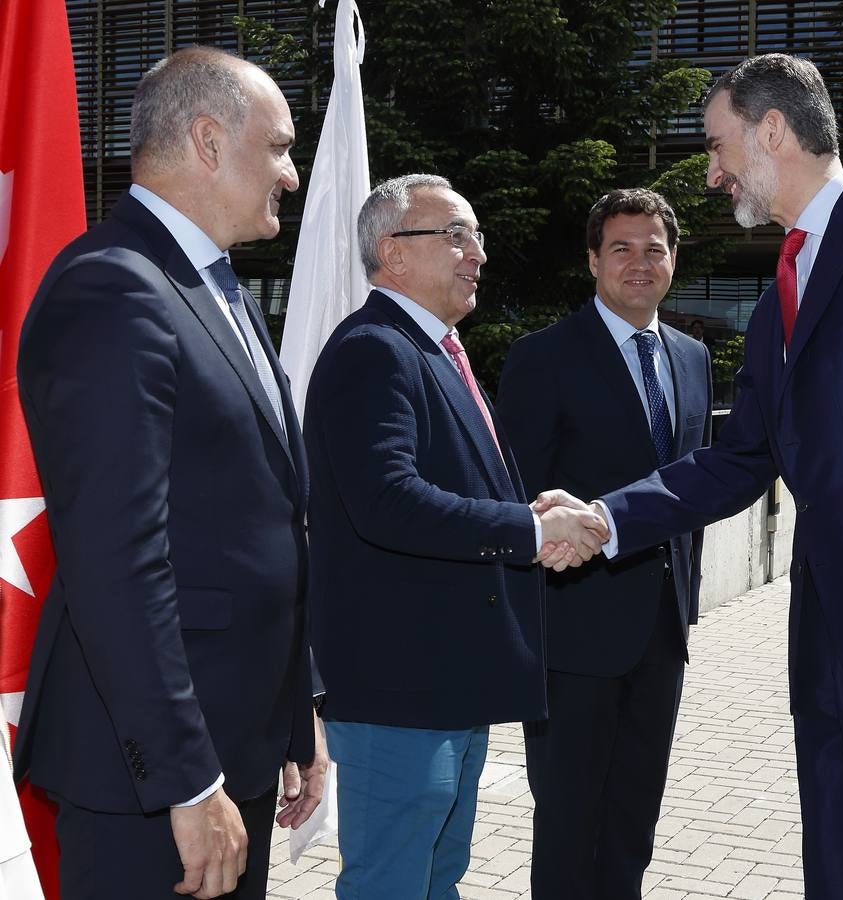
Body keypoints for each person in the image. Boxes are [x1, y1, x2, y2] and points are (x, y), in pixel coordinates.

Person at [541, 54, 843, 898]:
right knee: (842, 873)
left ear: (772, 131)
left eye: (717, 145)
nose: (711, 172)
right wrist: (607, 517)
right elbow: (742, 457)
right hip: (831, 640)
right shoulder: (786, 282)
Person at [15, 47, 326, 899]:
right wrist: (187, 779)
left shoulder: (213, 287)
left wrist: (296, 711)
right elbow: (117, 557)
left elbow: (260, 523)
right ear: (207, 139)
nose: (292, 176)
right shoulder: (113, 289)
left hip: (240, 746)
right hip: (151, 781)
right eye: (280, 147)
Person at [303, 174, 607, 899]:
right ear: (392, 254)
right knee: (392, 884)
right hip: (398, 691)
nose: (478, 253)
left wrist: (531, 505)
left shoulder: (434, 350)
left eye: (477, 237)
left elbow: (448, 488)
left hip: (447, 686)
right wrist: (529, 530)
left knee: (437, 879)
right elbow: (388, 502)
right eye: (456, 235)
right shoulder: (373, 350)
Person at [496, 189, 712, 899]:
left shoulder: (691, 357)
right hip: (573, 636)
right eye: (621, 247)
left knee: (632, 826)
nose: (640, 262)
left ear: (673, 259)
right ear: (592, 259)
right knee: (568, 825)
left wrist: (686, 607)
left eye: (655, 248)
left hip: (662, 634)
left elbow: (696, 489)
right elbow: (518, 501)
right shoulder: (544, 358)